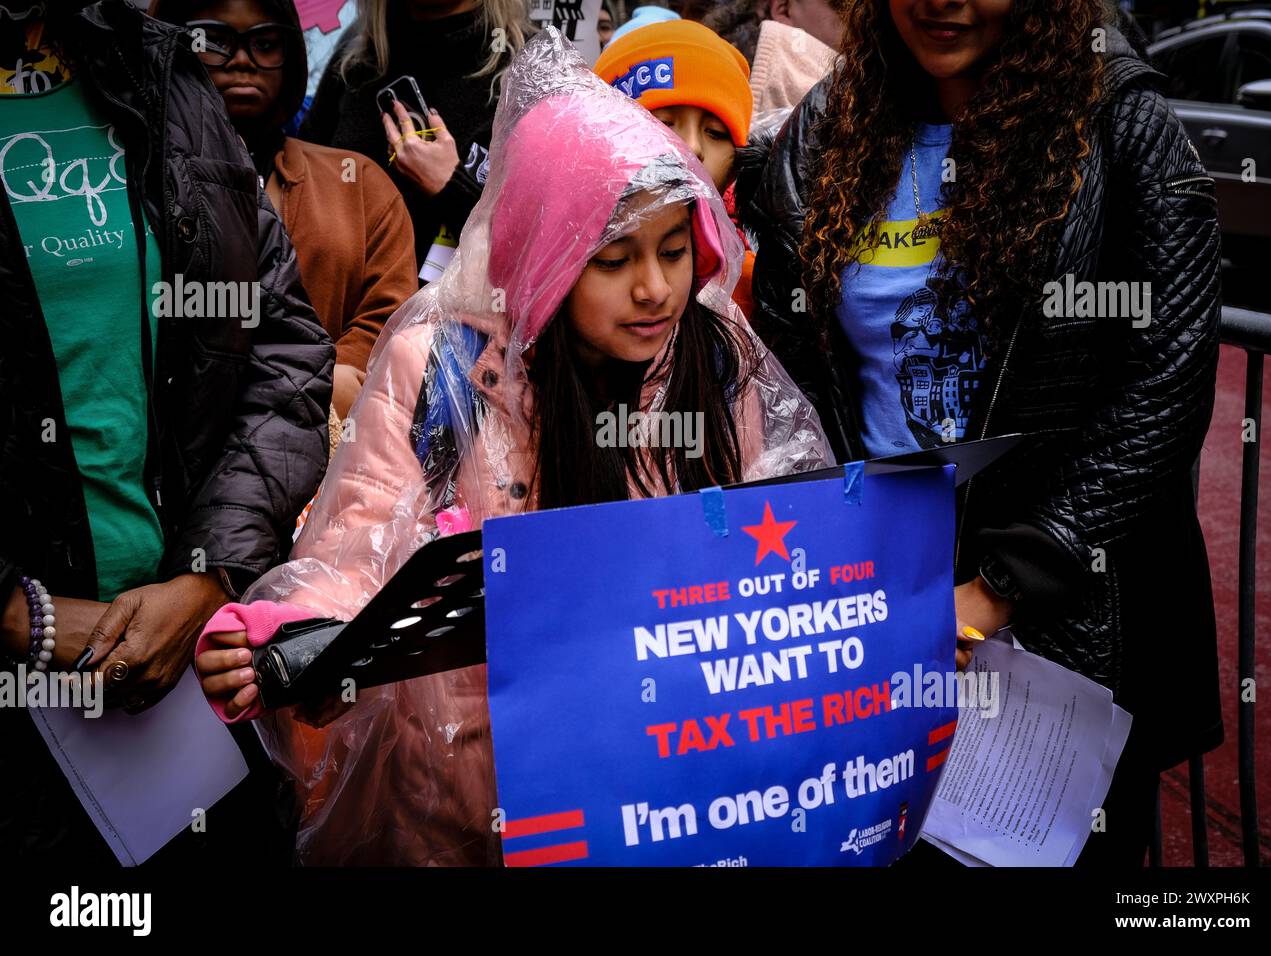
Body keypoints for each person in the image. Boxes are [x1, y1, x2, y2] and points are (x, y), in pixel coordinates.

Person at [193, 26, 833, 866]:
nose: (655, 289)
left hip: (660, 797)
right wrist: (285, 639)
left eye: (676, 252)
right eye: (613, 260)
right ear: (546, 252)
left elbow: (774, 546)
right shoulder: (443, 367)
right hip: (464, 808)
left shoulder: (715, 361)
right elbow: (357, 556)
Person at [747, 0, 1222, 865]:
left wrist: (1003, 584)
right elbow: (792, 385)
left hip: (1070, 630)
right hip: (892, 613)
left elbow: (1166, 382)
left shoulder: (1122, 127)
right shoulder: (826, 130)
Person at [0, 0, 331, 862]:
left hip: (187, 689)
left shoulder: (161, 74)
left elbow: (282, 345)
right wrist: (15, 617)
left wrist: (208, 576)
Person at [154, 0, 417, 420]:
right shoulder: (133, 183)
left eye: (265, 43)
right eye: (214, 40)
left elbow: (388, 320)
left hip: (327, 459)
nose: (241, 59)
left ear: (290, 56)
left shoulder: (359, 185)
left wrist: (326, 386)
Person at [298, 0, 533, 282]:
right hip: (343, 315)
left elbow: (545, 255)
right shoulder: (353, 65)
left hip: (460, 321)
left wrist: (452, 186)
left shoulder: (533, 68)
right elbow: (298, 196)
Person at [595, 20, 759, 316]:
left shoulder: (752, 285)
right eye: (664, 123)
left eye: (716, 133)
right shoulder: (558, 268)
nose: (693, 147)